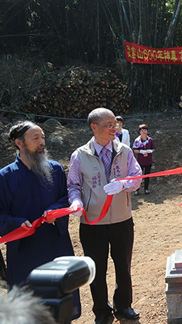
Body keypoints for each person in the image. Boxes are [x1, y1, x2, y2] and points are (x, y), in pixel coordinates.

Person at [67, 108, 142, 324]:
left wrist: (123, 185)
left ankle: (124, 305)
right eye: (108, 124)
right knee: (96, 268)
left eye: (115, 124)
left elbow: (137, 176)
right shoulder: (80, 155)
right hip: (93, 223)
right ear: (94, 127)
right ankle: (101, 310)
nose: (114, 128)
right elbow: (73, 185)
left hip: (122, 220)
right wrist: (76, 202)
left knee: (123, 265)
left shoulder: (125, 151)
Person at [0, 121, 81, 319]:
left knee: (61, 294)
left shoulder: (54, 169)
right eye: (36, 138)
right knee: (28, 302)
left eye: (43, 137)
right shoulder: (5, 176)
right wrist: (17, 223)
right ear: (19, 143)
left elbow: (64, 198)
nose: (42, 142)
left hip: (55, 243)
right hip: (24, 249)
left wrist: (54, 211)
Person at [132, 124, 156, 195]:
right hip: (140, 161)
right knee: (139, 176)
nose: (144, 132)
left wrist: (149, 151)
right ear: (140, 132)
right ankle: (137, 189)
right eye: (142, 130)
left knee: (147, 175)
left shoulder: (150, 140)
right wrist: (141, 152)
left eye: (145, 130)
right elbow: (135, 150)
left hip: (148, 160)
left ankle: (146, 189)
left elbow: (153, 148)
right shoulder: (137, 140)